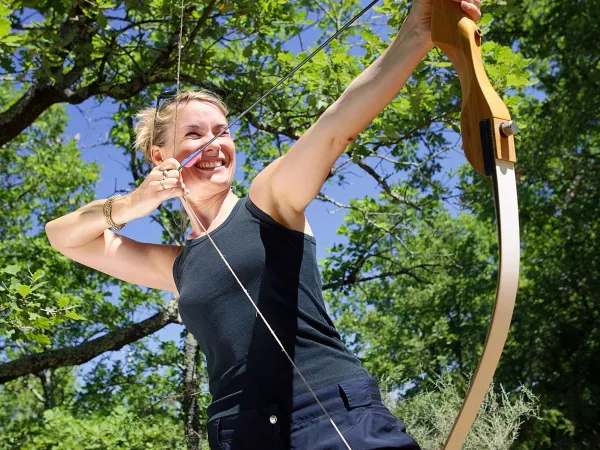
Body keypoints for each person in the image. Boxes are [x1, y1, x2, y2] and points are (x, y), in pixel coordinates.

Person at [46, 0, 481, 448]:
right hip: (239, 435)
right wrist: (133, 204)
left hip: (330, 417)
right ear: (161, 157)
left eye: (222, 131)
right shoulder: (175, 267)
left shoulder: (268, 199)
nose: (214, 144)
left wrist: (418, 30)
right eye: (194, 134)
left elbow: (335, 127)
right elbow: (63, 237)